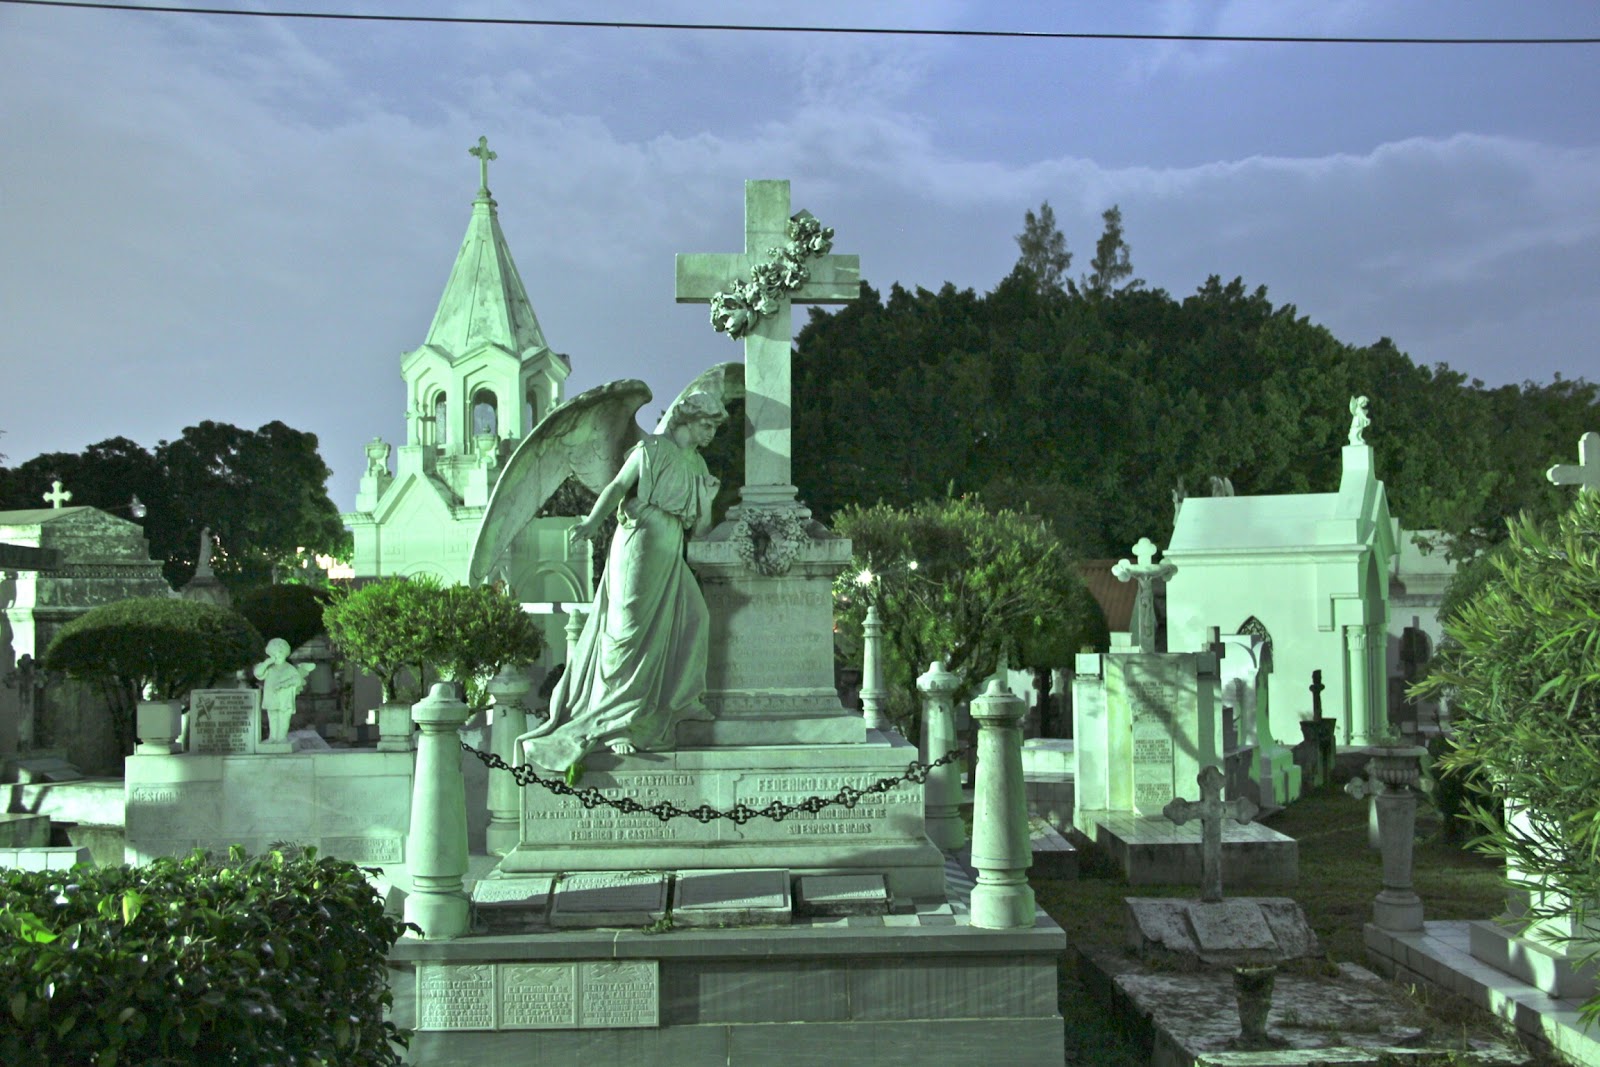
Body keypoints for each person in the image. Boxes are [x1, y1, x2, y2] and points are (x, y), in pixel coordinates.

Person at [518, 391, 726, 774]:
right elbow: (616, 487)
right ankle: (613, 722)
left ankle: (679, 701)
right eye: (707, 424)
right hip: (641, 541)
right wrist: (592, 521)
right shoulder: (650, 450)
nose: (711, 432)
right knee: (625, 633)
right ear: (687, 419)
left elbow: (701, 530)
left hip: (671, 547)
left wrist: (709, 500)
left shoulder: (697, 465)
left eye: (714, 426)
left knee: (695, 617)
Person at [254, 637, 314, 744]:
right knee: (272, 717)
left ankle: (282, 737)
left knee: (284, 718)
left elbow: (297, 680)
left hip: (284, 699)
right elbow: (258, 673)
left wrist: (283, 684)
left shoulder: (289, 668)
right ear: (271, 653)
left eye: (281, 652)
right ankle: (272, 737)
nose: (278, 655)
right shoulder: (269, 668)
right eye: (276, 653)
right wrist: (267, 662)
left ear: (286, 653)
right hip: (272, 697)